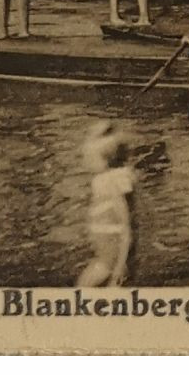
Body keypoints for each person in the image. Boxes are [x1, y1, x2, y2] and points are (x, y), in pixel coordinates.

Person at [76, 122, 136, 287]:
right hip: (105, 251)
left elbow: (126, 226)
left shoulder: (110, 183)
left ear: (105, 159)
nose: (85, 162)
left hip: (111, 256)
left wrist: (120, 265)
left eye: (89, 157)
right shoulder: (103, 180)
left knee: (83, 287)